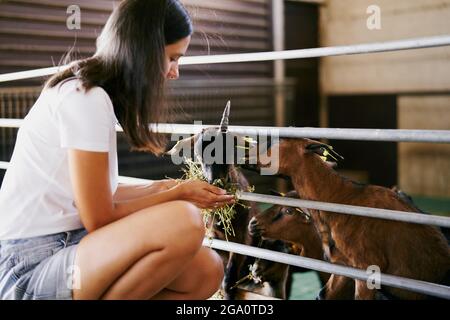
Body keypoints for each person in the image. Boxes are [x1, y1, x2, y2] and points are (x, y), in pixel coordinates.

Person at [0, 0, 233, 300]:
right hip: (29, 266)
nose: (175, 72)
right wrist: (177, 195)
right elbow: (99, 218)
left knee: (207, 270)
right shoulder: (86, 97)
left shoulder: (93, 92)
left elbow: (100, 196)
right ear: (145, 52)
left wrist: (169, 186)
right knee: (184, 221)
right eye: (173, 58)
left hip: (70, 244)